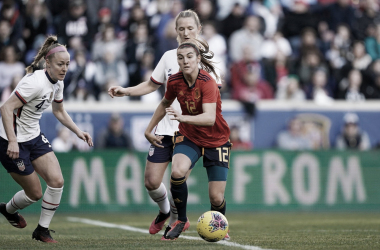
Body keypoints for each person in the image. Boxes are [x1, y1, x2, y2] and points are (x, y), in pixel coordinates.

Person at [108, 9, 228, 240]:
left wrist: (186, 116)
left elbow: (211, 96)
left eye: (190, 28)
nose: (185, 33)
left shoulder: (210, 59)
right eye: (181, 29)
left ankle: (179, 221)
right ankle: (166, 212)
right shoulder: (169, 57)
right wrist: (126, 91)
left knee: (181, 176)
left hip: (194, 129)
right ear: (175, 31)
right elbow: (154, 86)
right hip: (167, 126)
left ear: (199, 29)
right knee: (152, 181)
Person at [0, 35, 93, 243]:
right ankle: (7, 210)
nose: (65, 68)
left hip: (33, 137)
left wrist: (78, 131)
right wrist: (13, 141)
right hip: (10, 140)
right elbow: (5, 108)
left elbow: (59, 111)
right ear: (47, 63)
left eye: (68, 64)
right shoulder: (34, 82)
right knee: (34, 194)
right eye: (60, 64)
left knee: (57, 181)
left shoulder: (57, 83)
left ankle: (42, 230)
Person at [144, 39, 231, 240]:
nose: (185, 61)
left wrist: (183, 117)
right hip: (190, 136)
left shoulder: (208, 82)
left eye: (190, 57)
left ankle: (219, 223)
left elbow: (209, 119)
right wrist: (150, 129)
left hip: (216, 139)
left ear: (198, 59)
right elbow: (164, 103)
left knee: (216, 198)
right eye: (181, 58)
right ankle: (180, 220)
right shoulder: (174, 81)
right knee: (177, 172)